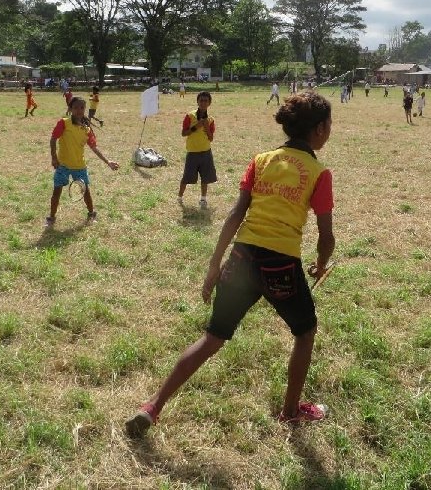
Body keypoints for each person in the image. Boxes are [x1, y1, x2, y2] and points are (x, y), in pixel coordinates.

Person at [125, 91, 336, 438]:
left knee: (212, 338)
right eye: (329, 125)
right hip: (280, 264)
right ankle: (290, 411)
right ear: (318, 130)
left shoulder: (262, 159)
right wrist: (321, 261)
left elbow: (236, 213)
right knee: (305, 332)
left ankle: (152, 406)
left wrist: (214, 265)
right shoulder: (318, 172)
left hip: (241, 258)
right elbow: (326, 236)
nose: (330, 130)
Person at [45, 97, 119, 228]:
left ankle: (91, 213)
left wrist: (108, 162)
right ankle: (51, 218)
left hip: (79, 166)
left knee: (86, 192)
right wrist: (54, 158)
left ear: (85, 109)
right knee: (56, 192)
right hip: (62, 165)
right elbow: (53, 140)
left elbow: (94, 147)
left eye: (82, 108)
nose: (79, 110)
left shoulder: (87, 129)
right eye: (76, 108)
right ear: (70, 109)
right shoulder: (63, 123)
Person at [178, 91, 217, 209]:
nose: (203, 103)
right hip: (192, 152)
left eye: (206, 101)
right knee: (187, 177)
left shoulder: (210, 120)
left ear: (209, 103)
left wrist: (205, 127)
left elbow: (211, 138)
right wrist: (196, 126)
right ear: (197, 102)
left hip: (206, 152)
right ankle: (180, 197)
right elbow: (183, 133)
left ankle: (203, 199)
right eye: (201, 100)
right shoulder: (190, 116)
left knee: (205, 177)